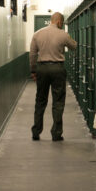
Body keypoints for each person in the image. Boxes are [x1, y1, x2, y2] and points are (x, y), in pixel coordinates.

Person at [29, 12, 77, 141]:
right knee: (58, 101)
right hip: (57, 69)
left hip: (42, 69)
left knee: (40, 100)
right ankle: (56, 133)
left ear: (51, 20)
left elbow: (33, 54)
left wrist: (33, 71)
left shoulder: (37, 34)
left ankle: (36, 132)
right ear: (59, 22)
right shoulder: (63, 34)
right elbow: (74, 46)